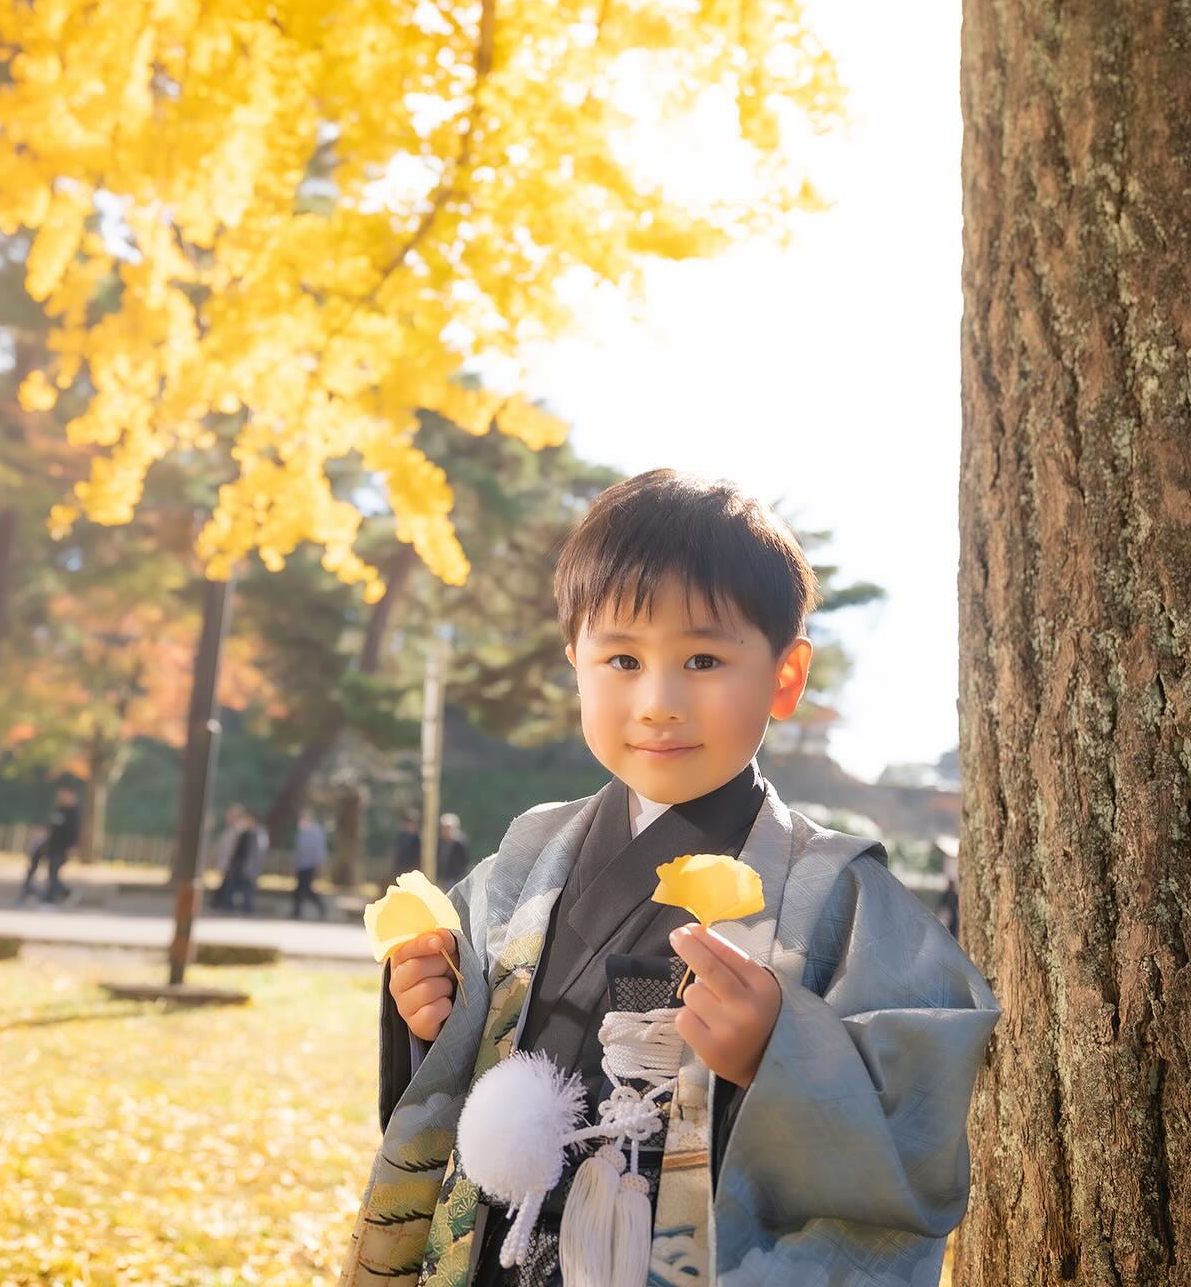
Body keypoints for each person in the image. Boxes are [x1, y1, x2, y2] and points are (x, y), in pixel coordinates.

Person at [344, 470, 1001, 1287]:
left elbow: (917, 1117)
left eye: (702, 657)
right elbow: (453, 1056)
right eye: (621, 657)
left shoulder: (839, 895)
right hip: (500, 1257)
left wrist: (780, 1055)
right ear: (574, 664)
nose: (658, 701)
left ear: (786, 677)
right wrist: (428, 1011)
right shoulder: (527, 854)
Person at [20, 784, 81, 904]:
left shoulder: (74, 813)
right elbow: (50, 826)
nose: (60, 797)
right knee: (50, 871)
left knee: (53, 872)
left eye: (63, 794)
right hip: (52, 846)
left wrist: (72, 847)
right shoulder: (59, 810)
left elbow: (75, 832)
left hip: (62, 848)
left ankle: (53, 897)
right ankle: (61, 893)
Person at [292, 809, 328, 919]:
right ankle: (296, 911)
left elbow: (319, 850)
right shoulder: (302, 832)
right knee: (298, 889)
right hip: (301, 865)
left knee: (306, 889)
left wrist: (319, 865)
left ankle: (322, 907)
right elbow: (298, 850)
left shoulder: (316, 832)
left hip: (310, 865)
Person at [436, 813, 470, 890]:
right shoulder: (438, 842)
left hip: (454, 879)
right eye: (444, 828)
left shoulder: (460, 844)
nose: (446, 831)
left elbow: (465, 862)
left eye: (449, 828)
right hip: (440, 877)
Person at [390, 810, 421, 884]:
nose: (407, 825)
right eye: (406, 822)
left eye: (410, 823)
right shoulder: (400, 837)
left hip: (412, 874)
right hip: (399, 871)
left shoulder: (419, 840)